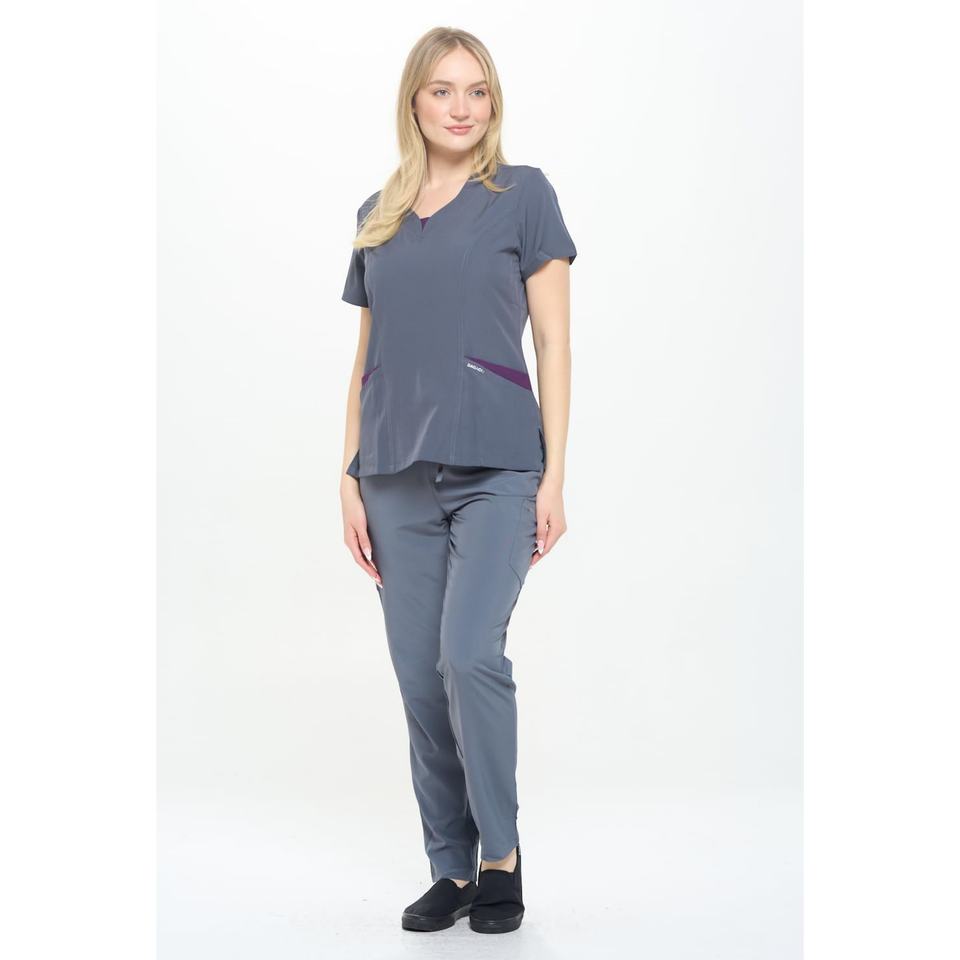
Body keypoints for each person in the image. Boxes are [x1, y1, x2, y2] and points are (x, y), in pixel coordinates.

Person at [339, 27, 576, 935]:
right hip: (393, 474)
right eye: (442, 90)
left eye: (477, 90)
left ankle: (499, 858)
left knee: (469, 655)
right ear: (414, 101)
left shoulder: (523, 196)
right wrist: (349, 475)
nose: (461, 107)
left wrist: (554, 475)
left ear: (493, 102)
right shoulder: (378, 214)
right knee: (419, 678)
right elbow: (367, 357)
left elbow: (554, 341)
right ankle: (450, 865)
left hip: (498, 466)